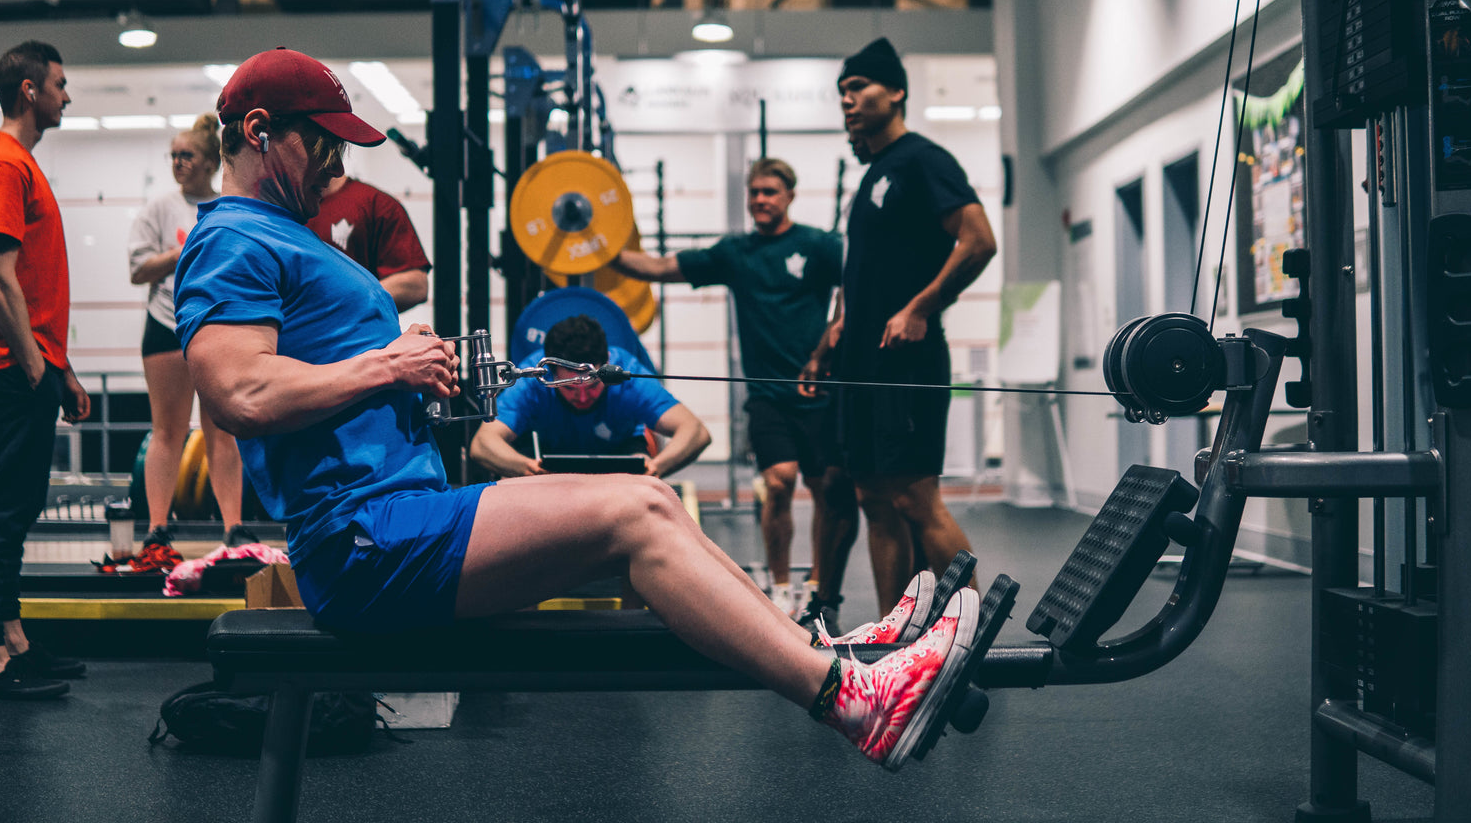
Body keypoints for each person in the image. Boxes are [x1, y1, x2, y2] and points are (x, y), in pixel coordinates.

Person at [174, 46, 984, 769]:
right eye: (324, 141)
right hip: (360, 542)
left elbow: (323, 373)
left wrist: (409, 368)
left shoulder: (291, 234)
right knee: (634, 513)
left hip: (402, 516)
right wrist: (388, 365)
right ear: (259, 131)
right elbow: (241, 394)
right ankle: (852, 702)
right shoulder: (234, 237)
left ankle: (834, 656)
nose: (337, 162)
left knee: (653, 499)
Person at [610, 158, 859, 628]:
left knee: (826, 491)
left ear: (789, 196)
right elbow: (659, 267)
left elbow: (857, 276)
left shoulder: (818, 245)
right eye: (755, 192)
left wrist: (835, 332)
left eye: (770, 191)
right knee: (779, 482)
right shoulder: (736, 253)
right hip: (766, 394)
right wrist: (598, 249)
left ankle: (819, 589)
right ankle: (781, 588)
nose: (761, 199)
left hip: (818, 391)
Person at [802, 38, 997, 618]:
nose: (847, 100)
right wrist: (834, 333)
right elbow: (862, 275)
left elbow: (979, 241)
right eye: (842, 92)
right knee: (873, 498)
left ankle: (978, 626)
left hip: (906, 360)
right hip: (861, 361)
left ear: (896, 91)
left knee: (915, 498)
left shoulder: (923, 160)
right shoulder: (874, 175)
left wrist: (921, 307)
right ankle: (893, 632)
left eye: (858, 87)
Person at [0, 41, 92, 699]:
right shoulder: (4, 162)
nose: (67, 94)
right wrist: (32, 365)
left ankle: (14, 636)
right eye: (59, 83)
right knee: (1, 512)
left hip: (33, 365)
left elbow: (32, 285)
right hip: (8, 369)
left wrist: (64, 369)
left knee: (17, 508)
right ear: (29, 90)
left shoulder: (21, 163)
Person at [124, 113, 252, 572]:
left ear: (210, 163)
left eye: (187, 155)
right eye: (174, 155)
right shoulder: (159, 209)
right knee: (168, 430)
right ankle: (158, 527)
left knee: (222, 429)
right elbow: (138, 269)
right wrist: (182, 252)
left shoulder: (228, 207)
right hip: (166, 325)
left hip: (215, 325)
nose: (178, 162)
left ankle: (234, 527)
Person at [468, 314, 711, 479]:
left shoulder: (626, 373)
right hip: (546, 460)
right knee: (510, 481)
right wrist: (527, 469)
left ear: (607, 363)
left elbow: (695, 431)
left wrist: (655, 468)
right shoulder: (534, 377)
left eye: (592, 386)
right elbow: (483, 444)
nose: (583, 398)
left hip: (621, 455)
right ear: (550, 373)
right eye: (570, 388)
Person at [307, 173, 430, 312]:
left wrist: (345, 303)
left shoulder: (376, 204)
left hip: (348, 323)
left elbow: (416, 285)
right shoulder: (290, 210)